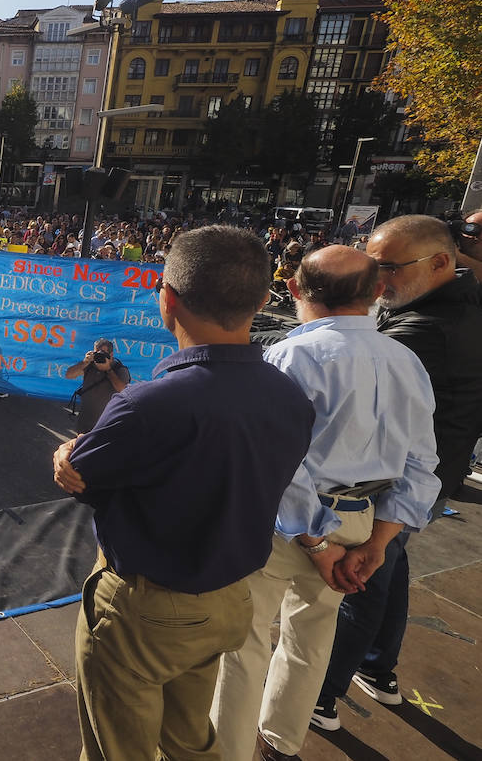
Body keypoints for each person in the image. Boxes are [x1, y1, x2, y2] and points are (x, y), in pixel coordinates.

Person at [51, 226, 314, 761]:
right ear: (264, 300)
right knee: (190, 739)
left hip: (144, 609)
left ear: (166, 299)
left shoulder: (148, 406)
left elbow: (82, 478)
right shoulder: (290, 396)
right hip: (231, 600)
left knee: (116, 749)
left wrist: (64, 457)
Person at [211, 246, 439, 760]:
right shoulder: (407, 362)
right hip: (361, 522)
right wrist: (380, 541)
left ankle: (227, 751)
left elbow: (279, 465)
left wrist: (315, 542)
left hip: (287, 526)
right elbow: (422, 462)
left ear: (293, 290)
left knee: (245, 644)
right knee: (312, 635)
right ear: (378, 292)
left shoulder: (287, 357)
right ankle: (282, 743)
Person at [316, 214, 482, 724]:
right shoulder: (454, 299)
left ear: (439, 263)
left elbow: (351, 379)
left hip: (402, 479)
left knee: (362, 577)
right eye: (370, 265)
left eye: (386, 267)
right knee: (392, 564)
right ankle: (378, 666)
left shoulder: (423, 331)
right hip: (427, 475)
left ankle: (322, 695)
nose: (374, 280)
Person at [62, 339, 131, 434]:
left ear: (111, 354)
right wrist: (84, 362)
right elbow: (69, 375)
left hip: (107, 423)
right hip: (84, 422)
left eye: (103, 353)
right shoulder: (90, 365)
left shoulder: (119, 369)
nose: (99, 356)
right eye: (96, 352)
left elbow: (123, 391)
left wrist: (108, 370)